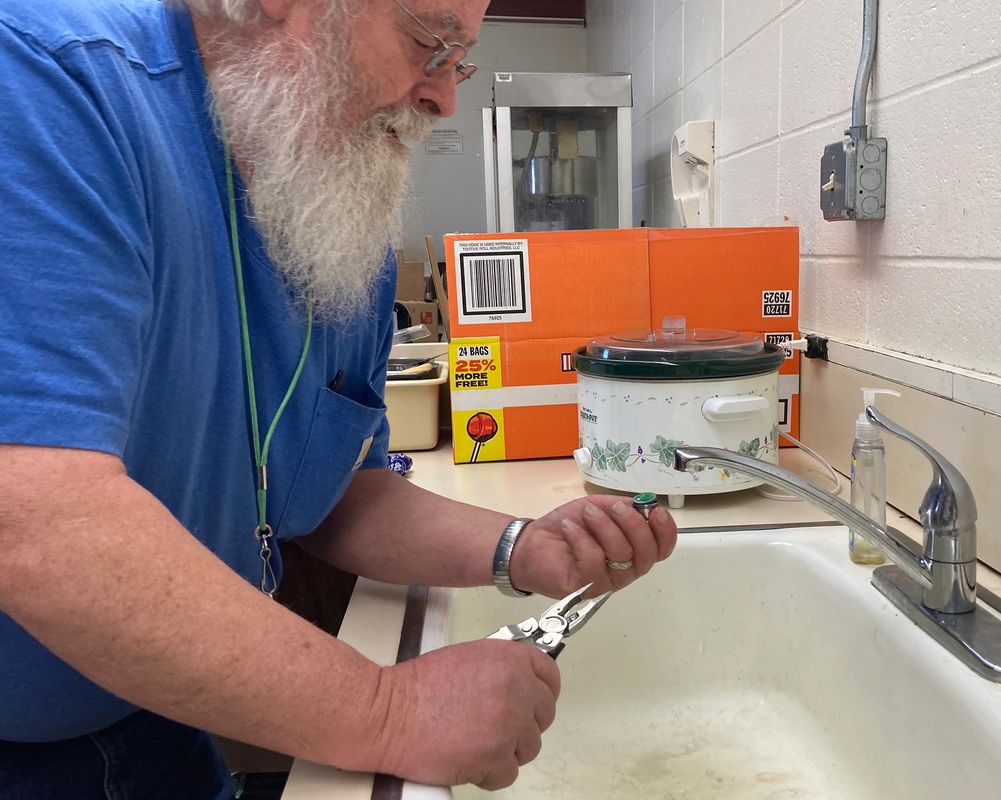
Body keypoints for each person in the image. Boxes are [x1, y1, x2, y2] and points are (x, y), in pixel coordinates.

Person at [0, 0, 678, 797]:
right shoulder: (50, 86)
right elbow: (33, 516)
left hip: (155, 714)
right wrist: (390, 711)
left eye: (456, 62)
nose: (445, 98)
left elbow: (339, 494)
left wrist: (519, 547)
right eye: (429, 43)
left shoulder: (333, 223)